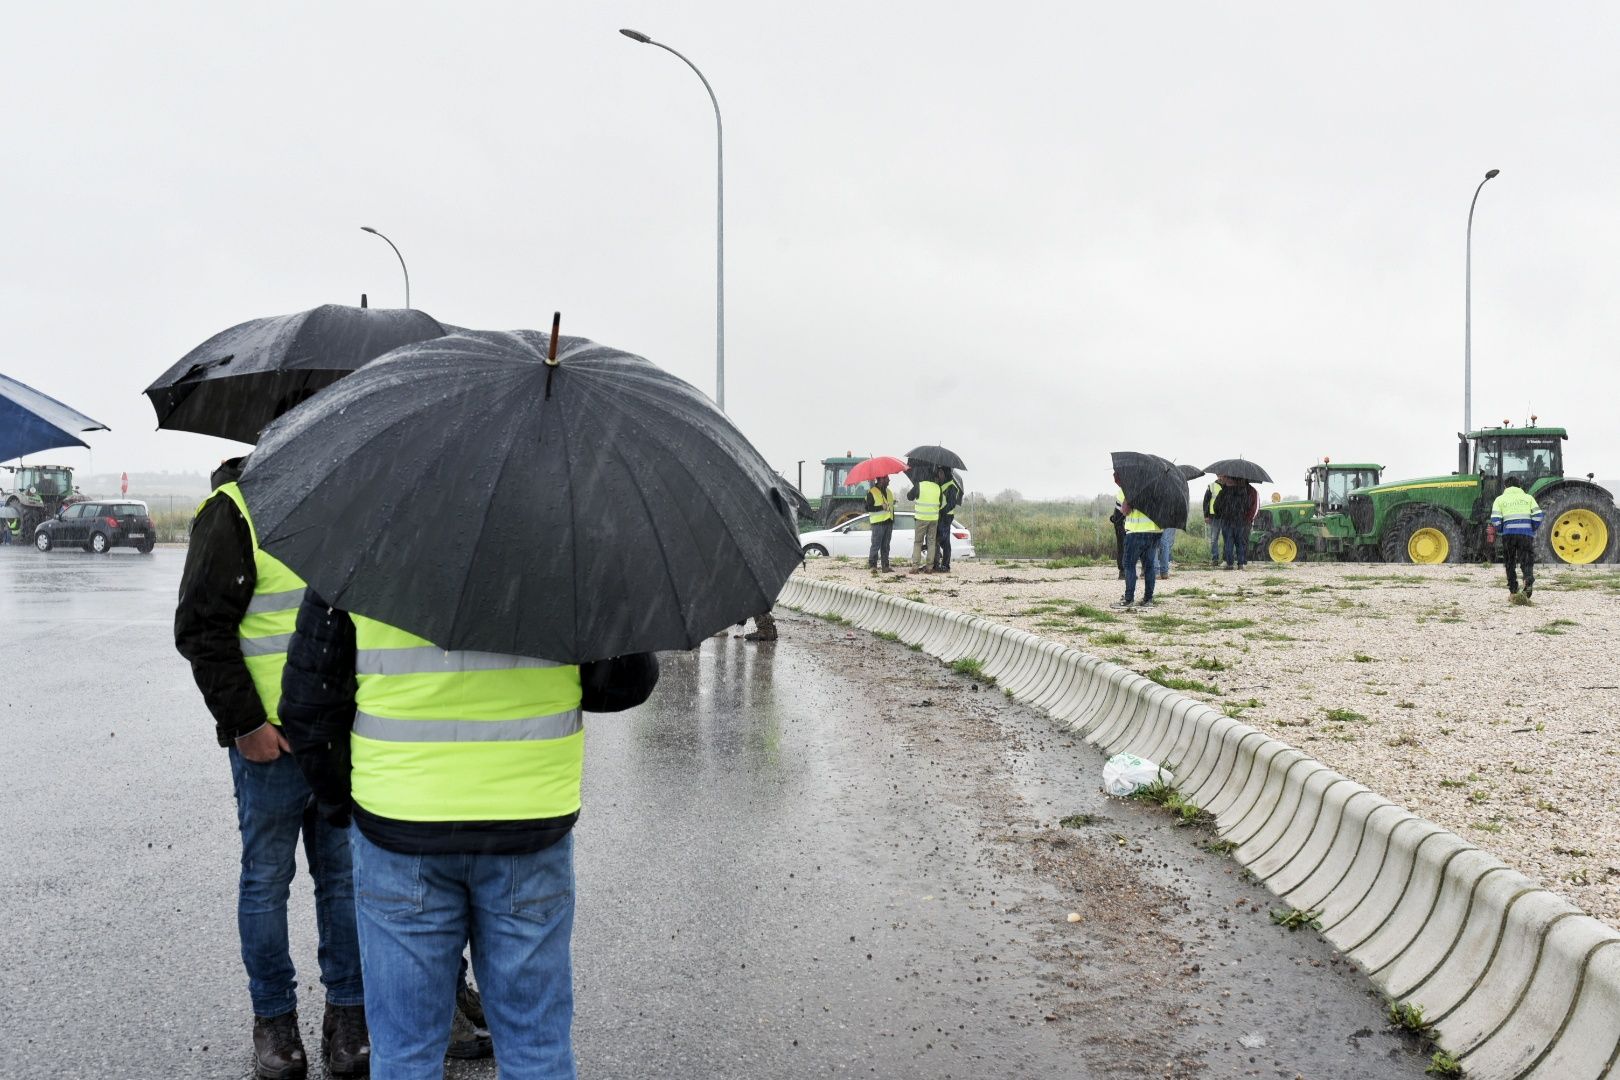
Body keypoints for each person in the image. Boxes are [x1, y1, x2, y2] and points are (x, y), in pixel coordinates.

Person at [279, 598, 659, 1078]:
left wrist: (345, 804)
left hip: (400, 825)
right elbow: (625, 683)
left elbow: (306, 705)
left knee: (405, 1056)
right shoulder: (571, 545)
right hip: (528, 822)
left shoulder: (362, 544)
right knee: (536, 1051)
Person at [175, 455, 370, 1079]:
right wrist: (246, 726)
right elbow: (201, 628)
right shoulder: (234, 509)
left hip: (338, 738)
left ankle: (347, 1015)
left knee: (343, 883)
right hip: (272, 745)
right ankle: (274, 1021)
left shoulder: (345, 497)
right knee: (266, 881)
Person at [1490, 475, 1544, 599]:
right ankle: (1528, 579)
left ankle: (1513, 590)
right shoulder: (1528, 498)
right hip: (1525, 535)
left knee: (1510, 562)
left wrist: (1502, 529)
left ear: (1505, 486)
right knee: (1526, 559)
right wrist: (1531, 528)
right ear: (1520, 486)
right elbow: (1538, 516)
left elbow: (1495, 519)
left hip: (1508, 535)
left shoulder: (1500, 499)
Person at [1113, 487, 1162, 608]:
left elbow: (1124, 511)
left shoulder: (1128, 487)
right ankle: (1148, 599)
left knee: (1129, 565)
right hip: (1154, 531)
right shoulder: (1159, 488)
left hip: (1135, 531)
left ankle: (1129, 599)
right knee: (1149, 567)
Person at [1213, 477, 1256, 570]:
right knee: (1240, 543)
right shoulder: (1245, 492)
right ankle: (1241, 564)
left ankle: (1229, 564)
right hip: (1241, 522)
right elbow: (1249, 506)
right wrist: (1244, 517)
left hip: (1227, 521)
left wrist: (1222, 514)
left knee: (1228, 543)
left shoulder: (1223, 492)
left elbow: (1216, 506)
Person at [911, 468, 941, 572]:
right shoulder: (937, 487)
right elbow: (940, 502)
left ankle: (915, 567)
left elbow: (909, 496)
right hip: (933, 519)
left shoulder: (919, 485)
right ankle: (929, 567)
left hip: (921, 519)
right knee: (931, 542)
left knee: (918, 542)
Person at [933, 469, 961, 574]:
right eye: (938, 473)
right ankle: (942, 564)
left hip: (945, 516)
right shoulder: (942, 484)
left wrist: (941, 511)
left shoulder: (951, 486)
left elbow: (951, 503)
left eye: (941, 472)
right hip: (941, 516)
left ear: (946, 473)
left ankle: (944, 565)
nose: (939, 475)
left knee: (942, 541)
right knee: (941, 541)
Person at [866, 474, 895, 572]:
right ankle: (872, 566)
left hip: (888, 522)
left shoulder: (889, 492)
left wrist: (892, 519)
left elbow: (890, 507)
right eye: (887, 479)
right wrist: (880, 507)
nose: (889, 480)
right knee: (876, 545)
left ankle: (885, 566)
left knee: (886, 545)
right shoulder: (872, 492)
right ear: (881, 479)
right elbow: (868, 508)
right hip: (878, 523)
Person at [1201, 479, 1223, 565]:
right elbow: (1206, 501)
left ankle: (1227, 559)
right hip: (1214, 516)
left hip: (1226, 516)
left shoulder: (1229, 485)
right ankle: (1215, 559)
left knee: (1228, 539)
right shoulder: (1212, 486)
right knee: (1214, 539)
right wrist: (1206, 515)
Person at [1111, 488, 1127, 580]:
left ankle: (1123, 570)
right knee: (1123, 543)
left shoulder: (1125, 483)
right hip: (1122, 512)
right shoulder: (1132, 485)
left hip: (1119, 514)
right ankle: (1123, 570)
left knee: (1122, 544)